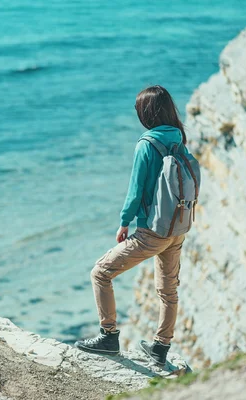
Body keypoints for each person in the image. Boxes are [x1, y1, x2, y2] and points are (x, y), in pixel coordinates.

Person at [74, 85, 189, 368]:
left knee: (100, 272)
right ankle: (161, 347)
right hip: (177, 228)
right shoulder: (179, 138)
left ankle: (108, 336)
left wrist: (124, 222)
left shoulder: (146, 145)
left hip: (152, 231)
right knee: (168, 291)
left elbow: (135, 191)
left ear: (146, 113)